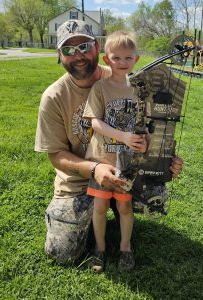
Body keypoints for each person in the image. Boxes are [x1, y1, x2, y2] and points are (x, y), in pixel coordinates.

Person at [34, 19, 183, 265]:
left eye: (84, 46)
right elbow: (55, 154)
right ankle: (94, 228)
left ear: (97, 48)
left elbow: (150, 127)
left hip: (124, 169)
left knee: (158, 193)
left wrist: (166, 157)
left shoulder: (126, 80)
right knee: (62, 253)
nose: (78, 55)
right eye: (68, 50)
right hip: (78, 182)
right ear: (59, 55)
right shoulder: (53, 97)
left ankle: (122, 233)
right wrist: (95, 169)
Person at [83, 31, 147, 272]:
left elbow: (143, 123)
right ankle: (99, 249)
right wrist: (122, 136)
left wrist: (144, 140)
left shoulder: (139, 90)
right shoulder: (100, 88)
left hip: (127, 165)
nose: (122, 63)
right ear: (106, 59)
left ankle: (125, 248)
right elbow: (94, 121)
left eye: (128, 58)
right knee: (99, 207)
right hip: (103, 160)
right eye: (116, 58)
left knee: (124, 207)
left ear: (136, 59)